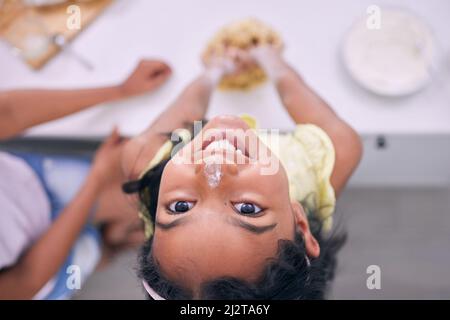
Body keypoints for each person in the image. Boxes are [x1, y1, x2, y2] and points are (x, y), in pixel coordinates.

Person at [121, 46, 363, 299]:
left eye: (181, 206)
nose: (214, 169)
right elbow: (297, 93)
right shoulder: (324, 163)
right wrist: (270, 58)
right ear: (299, 222)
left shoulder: (144, 157)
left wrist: (215, 69)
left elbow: (187, 109)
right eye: (247, 209)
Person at [0, 59, 172, 299]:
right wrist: (96, 179)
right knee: (152, 199)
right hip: (38, 275)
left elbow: (7, 112)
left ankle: (108, 240)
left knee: (147, 187)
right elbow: (27, 278)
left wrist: (121, 90)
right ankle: (105, 246)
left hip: (32, 183)